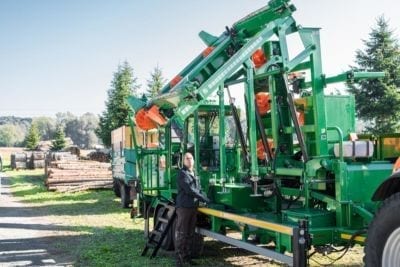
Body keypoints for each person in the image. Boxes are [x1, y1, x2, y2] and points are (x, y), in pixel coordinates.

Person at [175, 152, 210, 266]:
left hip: (192, 208)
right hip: (184, 208)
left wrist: (205, 196)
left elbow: (198, 189)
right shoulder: (182, 173)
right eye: (187, 159)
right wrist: (204, 198)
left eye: (191, 159)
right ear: (183, 161)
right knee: (182, 234)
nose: (189, 161)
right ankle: (180, 260)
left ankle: (187, 258)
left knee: (190, 234)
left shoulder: (193, 173)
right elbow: (190, 190)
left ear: (193, 161)